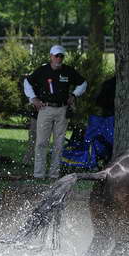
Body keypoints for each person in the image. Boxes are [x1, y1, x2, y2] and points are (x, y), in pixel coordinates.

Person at [24, 45, 87, 179]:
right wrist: (33, 99)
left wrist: (74, 95)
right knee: (41, 142)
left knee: (59, 143)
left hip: (62, 110)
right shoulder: (42, 70)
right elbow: (27, 82)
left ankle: (54, 174)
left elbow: (83, 83)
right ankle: (38, 174)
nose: (58, 58)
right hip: (45, 109)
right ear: (51, 56)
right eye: (56, 56)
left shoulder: (68, 71)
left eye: (61, 56)